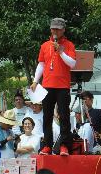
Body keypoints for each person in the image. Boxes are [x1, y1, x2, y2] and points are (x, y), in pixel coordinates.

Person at [31, 18, 76, 155]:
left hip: (62, 86)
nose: (54, 31)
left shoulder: (69, 45)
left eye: (57, 28)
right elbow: (41, 64)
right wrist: (35, 80)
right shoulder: (45, 45)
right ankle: (47, 145)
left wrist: (61, 52)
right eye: (53, 28)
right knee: (47, 117)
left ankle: (64, 145)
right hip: (47, 85)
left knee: (64, 116)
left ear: (63, 30)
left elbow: (72, 64)